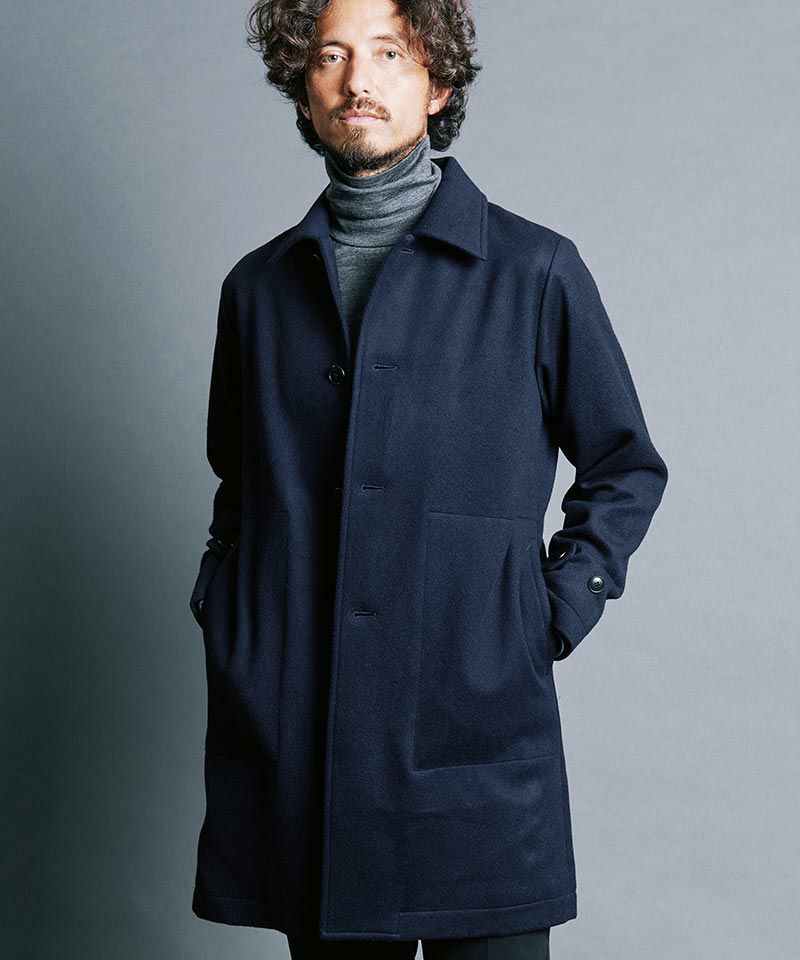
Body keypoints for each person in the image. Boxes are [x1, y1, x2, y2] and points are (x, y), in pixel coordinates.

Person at [189, 0, 668, 956]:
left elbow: (625, 463)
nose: (357, 80)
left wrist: (547, 612)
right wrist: (228, 600)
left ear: (439, 82)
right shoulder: (258, 288)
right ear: (303, 87)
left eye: (389, 54)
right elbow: (239, 480)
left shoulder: (534, 270)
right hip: (306, 741)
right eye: (329, 55)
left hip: (473, 727)